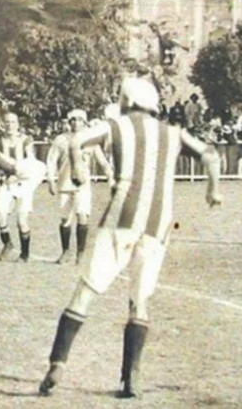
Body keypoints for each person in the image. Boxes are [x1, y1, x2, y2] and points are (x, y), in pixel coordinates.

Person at [39, 77, 223, 399]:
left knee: (85, 292)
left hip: (121, 218)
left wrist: (80, 170)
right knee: (140, 301)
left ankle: (58, 363)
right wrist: (213, 189)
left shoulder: (117, 125)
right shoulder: (173, 133)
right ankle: (130, 379)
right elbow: (210, 155)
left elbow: (76, 140)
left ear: (126, 100)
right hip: (158, 224)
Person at [46, 109, 112, 264]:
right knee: (65, 219)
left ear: (85, 122)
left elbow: (102, 161)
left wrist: (111, 176)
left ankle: (80, 253)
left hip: (83, 185)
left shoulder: (91, 140)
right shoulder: (60, 140)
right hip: (64, 184)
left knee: (82, 216)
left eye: (80, 120)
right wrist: (51, 180)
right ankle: (65, 251)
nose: (76, 123)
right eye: (73, 120)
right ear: (69, 123)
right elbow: (51, 160)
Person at [0, 111, 42, 262]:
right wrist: (3, 173)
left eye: (13, 122)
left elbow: (30, 160)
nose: (10, 125)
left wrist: (18, 174)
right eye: (7, 122)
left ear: (18, 124)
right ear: (2, 123)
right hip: (6, 182)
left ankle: (25, 254)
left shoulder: (26, 139)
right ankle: (8, 244)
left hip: (23, 182)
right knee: (0, 216)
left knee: (21, 219)